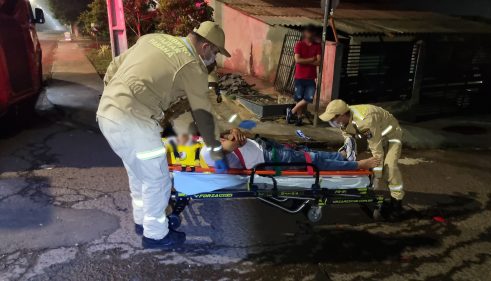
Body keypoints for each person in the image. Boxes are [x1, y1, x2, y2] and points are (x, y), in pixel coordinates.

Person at [96, 21, 231, 250]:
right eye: (216, 52)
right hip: (134, 120)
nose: (214, 59)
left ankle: (143, 222)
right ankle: (156, 236)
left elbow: (113, 66)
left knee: (139, 175)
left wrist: (115, 97)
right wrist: (216, 150)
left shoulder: (153, 38)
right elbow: (203, 114)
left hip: (106, 113)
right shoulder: (193, 66)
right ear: (206, 46)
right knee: (158, 179)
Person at [319, 99, 404, 218]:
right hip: (374, 134)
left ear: (342, 115)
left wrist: (376, 177)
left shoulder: (365, 121)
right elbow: (347, 134)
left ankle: (396, 204)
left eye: (333, 118)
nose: (332, 121)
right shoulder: (345, 118)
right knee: (348, 153)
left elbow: (377, 151)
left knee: (389, 168)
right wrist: (347, 145)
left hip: (391, 135)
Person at [201, 128, 380, 171]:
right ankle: (357, 164)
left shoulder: (206, 141)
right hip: (268, 157)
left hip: (263, 146)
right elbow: (231, 145)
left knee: (308, 153)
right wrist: (234, 138)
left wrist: (234, 131)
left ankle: (340, 155)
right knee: (314, 161)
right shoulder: (207, 152)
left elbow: (233, 135)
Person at [286, 25, 321, 126]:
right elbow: (297, 60)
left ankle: (291, 111)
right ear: (305, 33)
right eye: (309, 32)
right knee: (298, 99)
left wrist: (304, 61)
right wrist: (311, 59)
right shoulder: (299, 45)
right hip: (299, 77)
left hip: (311, 77)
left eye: (312, 32)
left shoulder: (317, 46)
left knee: (308, 98)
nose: (311, 34)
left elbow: (318, 62)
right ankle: (299, 118)